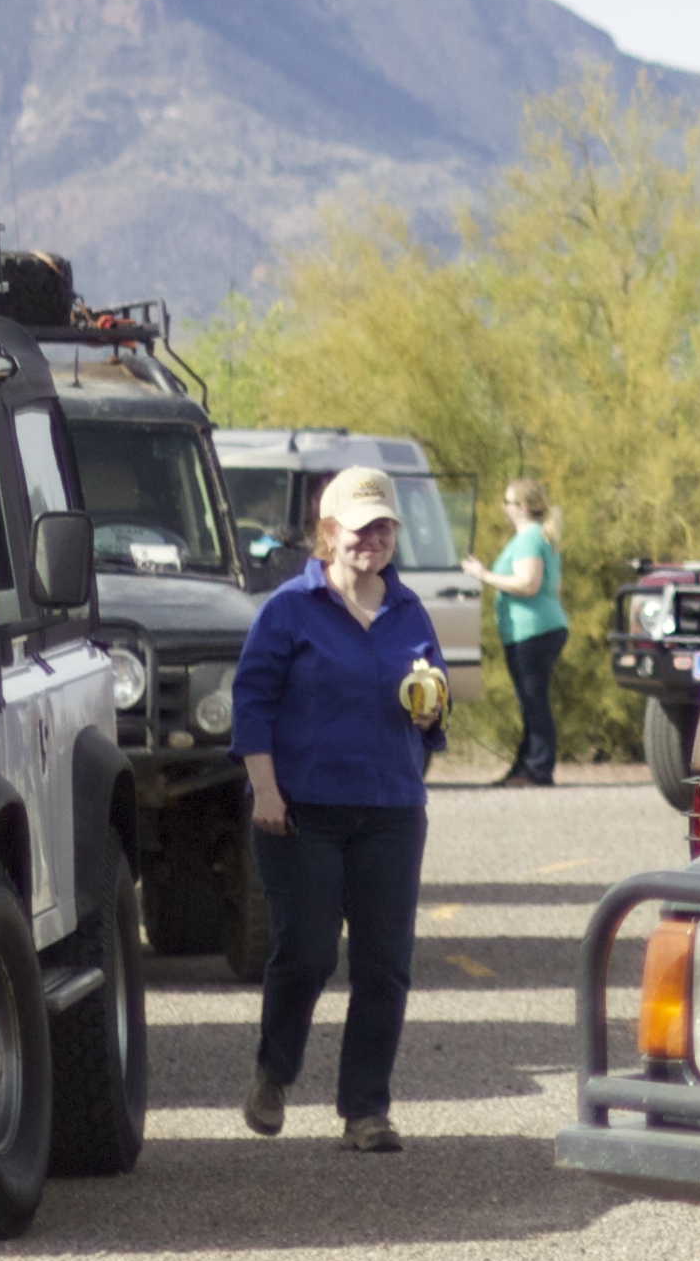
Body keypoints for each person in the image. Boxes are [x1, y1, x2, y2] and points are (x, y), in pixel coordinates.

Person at [226, 464, 447, 1153]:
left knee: (384, 965)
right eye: (359, 528)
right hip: (302, 812)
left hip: (390, 809)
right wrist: (264, 788)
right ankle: (274, 1071)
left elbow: (434, 701)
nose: (371, 540)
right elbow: (251, 701)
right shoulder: (289, 609)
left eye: (383, 528)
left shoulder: (409, 611)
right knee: (308, 953)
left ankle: (366, 1111)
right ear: (328, 531)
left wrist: (431, 707)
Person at [484, 478, 568, 789]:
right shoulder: (539, 537)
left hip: (533, 631)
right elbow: (553, 586)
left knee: (534, 701)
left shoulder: (530, 540)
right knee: (529, 701)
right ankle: (525, 765)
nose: (502, 508)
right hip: (535, 629)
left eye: (506, 502)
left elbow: (529, 584)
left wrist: (484, 575)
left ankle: (539, 769)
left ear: (520, 507)